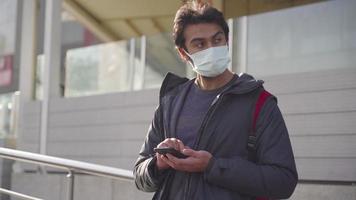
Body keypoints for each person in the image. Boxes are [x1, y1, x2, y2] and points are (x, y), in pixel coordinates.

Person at [134, 2, 298, 200]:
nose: (211, 48)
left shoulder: (259, 102)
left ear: (227, 40)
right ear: (183, 53)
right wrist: (158, 163)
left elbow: (283, 181)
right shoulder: (170, 102)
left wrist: (212, 166)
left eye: (217, 39)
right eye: (200, 44)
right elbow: (139, 175)